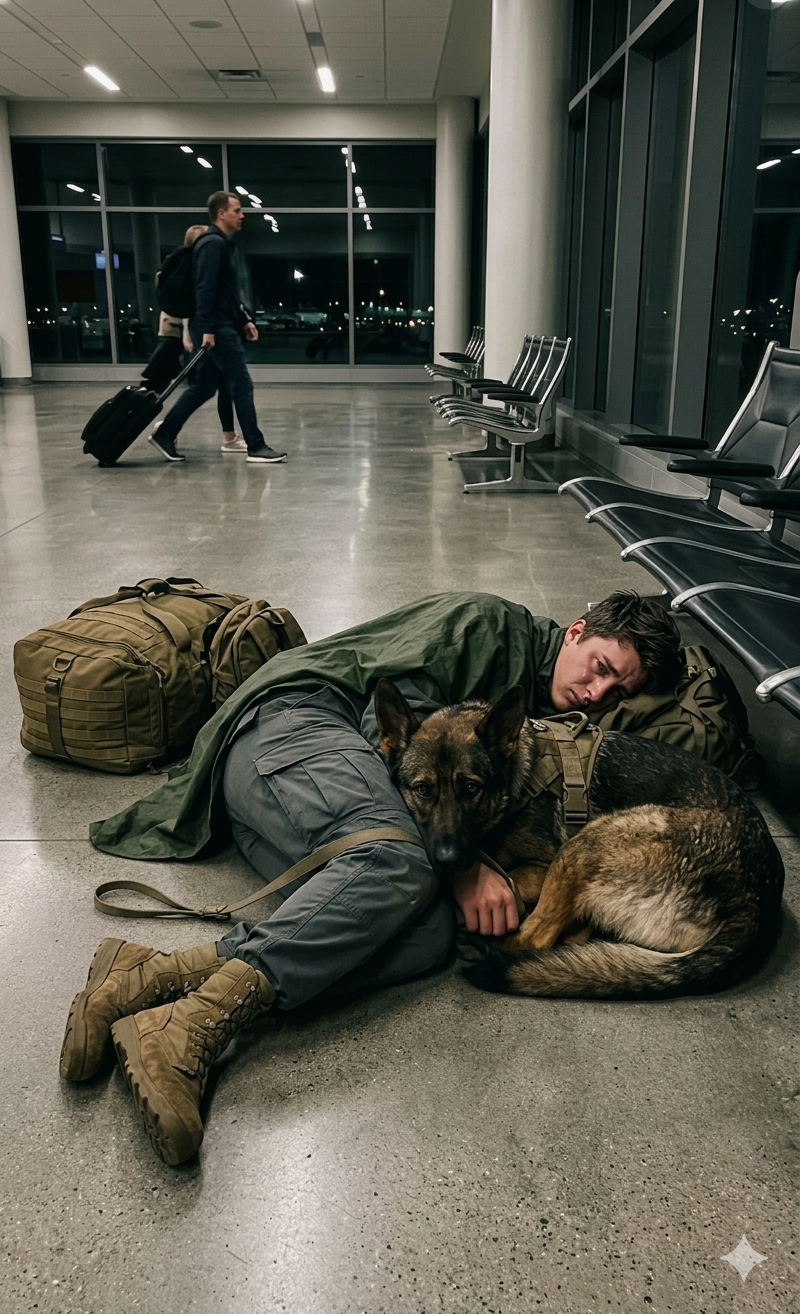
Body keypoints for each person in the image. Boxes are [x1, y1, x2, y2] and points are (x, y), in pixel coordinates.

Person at [65, 590, 718, 1166]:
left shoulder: (546, 702)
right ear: (575, 632)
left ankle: (150, 977)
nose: (597, 694)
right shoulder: (486, 626)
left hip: (287, 800)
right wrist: (473, 870)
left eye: (618, 692)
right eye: (601, 668)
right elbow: (386, 722)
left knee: (433, 935)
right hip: (293, 724)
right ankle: (193, 1027)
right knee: (406, 865)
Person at [147, 192, 286, 465]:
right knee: (241, 384)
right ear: (221, 214)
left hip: (219, 324)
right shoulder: (212, 244)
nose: (242, 214)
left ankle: (165, 433)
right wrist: (209, 328)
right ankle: (256, 446)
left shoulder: (219, 244)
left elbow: (226, 294)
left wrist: (244, 320)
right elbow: (205, 289)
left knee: (204, 388)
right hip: (216, 328)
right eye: (237, 210)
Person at [141, 224, 246, 455]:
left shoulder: (192, 263)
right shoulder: (195, 265)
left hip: (202, 332)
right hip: (202, 333)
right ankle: (171, 429)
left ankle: (169, 430)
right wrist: (195, 334)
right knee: (226, 385)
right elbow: (198, 302)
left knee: (207, 387)